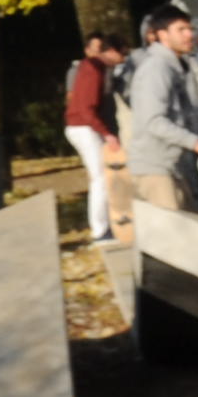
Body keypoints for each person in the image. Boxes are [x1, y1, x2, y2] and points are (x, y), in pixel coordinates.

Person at [120, 9, 198, 226]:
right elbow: (153, 121)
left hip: (173, 165)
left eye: (190, 28)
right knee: (175, 241)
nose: (189, 34)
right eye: (181, 29)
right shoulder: (156, 68)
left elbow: (183, 115)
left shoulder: (175, 65)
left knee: (193, 230)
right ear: (162, 35)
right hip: (155, 168)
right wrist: (197, 143)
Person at [61, 34, 123, 242]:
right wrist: (106, 133)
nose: (122, 58)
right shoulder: (93, 69)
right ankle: (100, 229)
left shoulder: (95, 68)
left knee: (100, 177)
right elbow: (86, 107)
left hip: (83, 126)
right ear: (112, 51)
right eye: (122, 53)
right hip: (84, 127)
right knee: (99, 178)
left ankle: (104, 225)